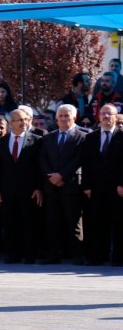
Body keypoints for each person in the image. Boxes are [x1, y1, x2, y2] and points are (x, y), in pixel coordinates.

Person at [0, 106, 44, 264]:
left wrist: (38, 187)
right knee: (9, 223)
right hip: (7, 191)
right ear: (10, 122)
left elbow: (39, 167)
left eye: (25, 119)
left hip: (29, 190)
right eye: (18, 120)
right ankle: (13, 254)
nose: (23, 123)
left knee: (28, 223)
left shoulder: (36, 140)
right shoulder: (1, 142)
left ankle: (29, 254)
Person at [38, 104, 86, 264]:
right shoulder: (48, 137)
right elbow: (42, 159)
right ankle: (53, 254)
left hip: (70, 185)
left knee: (74, 222)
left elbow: (79, 159)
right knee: (52, 222)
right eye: (61, 116)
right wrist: (51, 176)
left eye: (67, 115)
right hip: (51, 186)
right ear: (57, 118)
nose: (64, 118)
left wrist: (62, 175)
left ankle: (78, 255)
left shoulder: (82, 136)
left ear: (74, 117)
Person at [81, 104, 121, 266]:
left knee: (118, 224)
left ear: (115, 116)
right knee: (97, 223)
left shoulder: (122, 136)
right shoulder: (90, 138)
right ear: (98, 116)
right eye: (103, 113)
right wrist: (86, 186)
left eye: (109, 114)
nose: (105, 116)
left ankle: (118, 257)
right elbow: (86, 164)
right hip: (96, 189)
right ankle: (98, 255)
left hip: (117, 189)